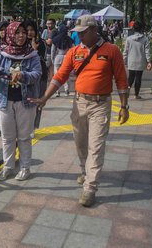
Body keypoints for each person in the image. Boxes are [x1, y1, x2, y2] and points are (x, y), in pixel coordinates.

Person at [29, 15, 129, 207]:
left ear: (94, 30)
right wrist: (44, 98)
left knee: (96, 146)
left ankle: (90, 188)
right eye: (78, 33)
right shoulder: (74, 52)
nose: (80, 37)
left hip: (101, 105)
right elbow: (60, 77)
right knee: (80, 143)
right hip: (79, 103)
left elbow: (121, 80)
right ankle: (85, 171)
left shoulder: (111, 50)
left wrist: (124, 106)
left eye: (83, 33)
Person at [0, 21, 42, 181]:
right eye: (17, 32)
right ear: (10, 34)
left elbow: (37, 75)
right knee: (7, 137)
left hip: (25, 101)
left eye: (23, 32)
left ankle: (25, 167)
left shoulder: (32, 55)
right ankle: (8, 166)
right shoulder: (0, 54)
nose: (21, 35)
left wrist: (23, 75)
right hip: (3, 101)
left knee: (24, 137)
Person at [24, 20, 49, 130]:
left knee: (38, 100)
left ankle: (34, 126)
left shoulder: (41, 42)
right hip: (27, 76)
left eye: (32, 30)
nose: (29, 32)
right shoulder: (21, 42)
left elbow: (41, 58)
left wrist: (34, 49)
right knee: (27, 100)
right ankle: (26, 125)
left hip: (41, 75)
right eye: (27, 30)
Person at [123, 21, 152, 99]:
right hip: (140, 61)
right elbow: (147, 51)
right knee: (138, 77)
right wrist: (149, 61)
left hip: (131, 60)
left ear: (133, 29)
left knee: (131, 77)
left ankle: (127, 90)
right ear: (141, 29)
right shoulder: (145, 39)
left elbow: (125, 51)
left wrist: (124, 60)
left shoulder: (129, 39)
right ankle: (136, 95)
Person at [51, 24, 74, 97]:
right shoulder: (69, 39)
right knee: (66, 74)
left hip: (58, 58)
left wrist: (52, 59)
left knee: (57, 75)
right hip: (66, 57)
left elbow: (53, 51)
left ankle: (57, 91)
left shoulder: (55, 39)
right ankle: (66, 90)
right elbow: (72, 49)